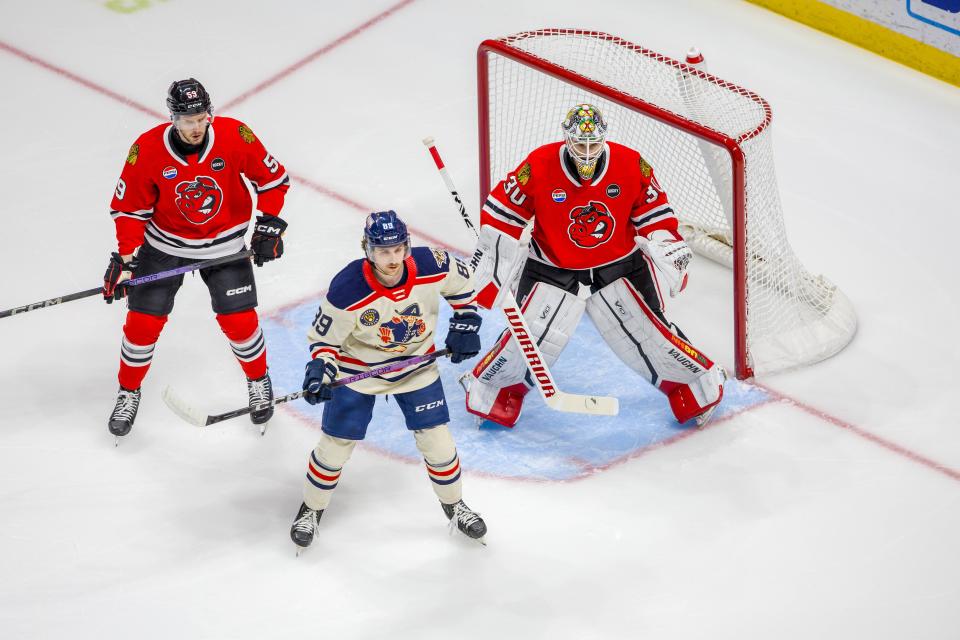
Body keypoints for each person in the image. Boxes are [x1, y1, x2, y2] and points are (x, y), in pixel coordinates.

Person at [463, 104, 725, 428]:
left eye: (593, 144)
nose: (586, 153)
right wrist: (493, 259)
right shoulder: (540, 164)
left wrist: (667, 245)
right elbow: (503, 212)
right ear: (566, 138)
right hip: (551, 264)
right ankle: (492, 396)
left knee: (649, 332)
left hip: (620, 263)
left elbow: (653, 210)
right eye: (579, 144)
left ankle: (697, 390)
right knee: (530, 336)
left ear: (604, 138)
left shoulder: (631, 163)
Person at [102, 78, 290, 439]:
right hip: (165, 248)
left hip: (225, 247)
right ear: (173, 118)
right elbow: (129, 210)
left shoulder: (236, 136)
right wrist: (126, 260)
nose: (196, 127)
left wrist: (269, 225)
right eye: (188, 120)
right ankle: (128, 391)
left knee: (240, 323)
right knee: (142, 325)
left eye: (202, 118)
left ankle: (258, 381)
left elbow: (273, 180)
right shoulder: (147, 149)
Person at [289, 211, 487, 551]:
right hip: (359, 372)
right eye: (383, 251)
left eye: (398, 250)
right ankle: (311, 508)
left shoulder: (432, 263)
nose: (393, 259)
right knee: (334, 448)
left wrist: (466, 320)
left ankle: (455, 506)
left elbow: (464, 286)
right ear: (367, 249)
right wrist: (320, 370)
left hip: (416, 367)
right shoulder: (347, 288)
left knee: (438, 443)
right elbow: (325, 342)